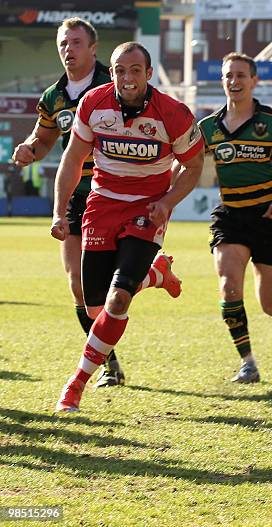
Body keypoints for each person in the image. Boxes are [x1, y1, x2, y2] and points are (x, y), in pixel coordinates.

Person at [52, 42, 204, 411]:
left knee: (118, 299)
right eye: (120, 69)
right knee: (94, 310)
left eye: (135, 70)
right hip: (101, 207)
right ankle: (156, 275)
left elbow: (194, 165)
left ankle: (75, 386)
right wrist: (59, 211)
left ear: (149, 74)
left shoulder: (173, 114)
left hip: (146, 210)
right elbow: (73, 160)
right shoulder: (93, 104)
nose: (127, 77)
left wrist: (166, 203)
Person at [12, 18, 134, 388]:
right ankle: (109, 363)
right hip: (74, 194)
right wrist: (31, 149)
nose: (69, 49)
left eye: (76, 42)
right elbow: (45, 136)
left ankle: (151, 272)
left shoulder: (114, 85)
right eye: (63, 43)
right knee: (79, 286)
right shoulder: (54, 96)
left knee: (118, 280)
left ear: (93, 48)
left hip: (113, 192)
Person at [198, 52, 272, 384]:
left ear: (254, 81)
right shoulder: (208, 128)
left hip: (270, 218)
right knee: (229, 286)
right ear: (222, 81)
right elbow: (186, 167)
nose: (234, 81)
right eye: (228, 75)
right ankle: (247, 361)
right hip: (231, 217)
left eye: (241, 75)